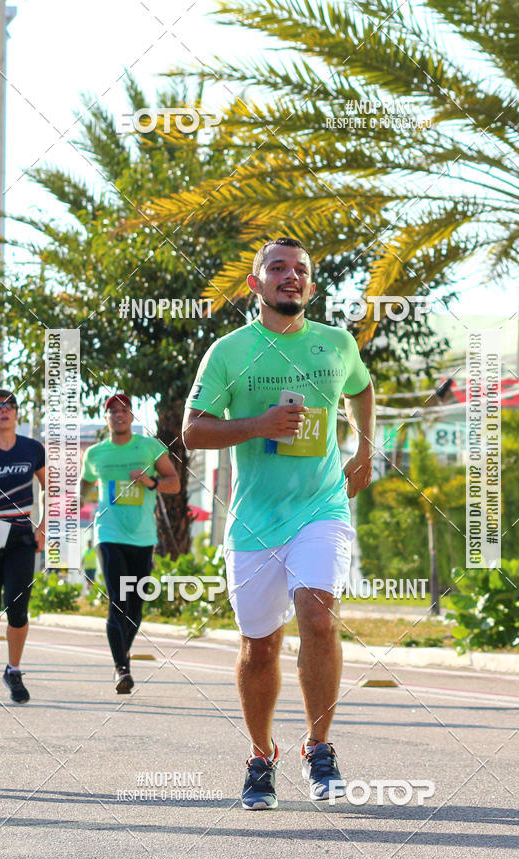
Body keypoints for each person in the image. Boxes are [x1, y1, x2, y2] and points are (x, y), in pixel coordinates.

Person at [183, 237, 375, 809]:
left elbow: (362, 388)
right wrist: (260, 424)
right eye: (278, 268)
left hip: (322, 507)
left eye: (301, 271)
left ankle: (319, 748)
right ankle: (260, 755)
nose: (290, 277)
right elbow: (194, 431)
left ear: (311, 287)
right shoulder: (229, 352)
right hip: (255, 523)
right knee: (259, 647)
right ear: (256, 283)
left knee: (318, 616)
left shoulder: (336, 345)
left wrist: (364, 449)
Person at [80, 394, 180, 693]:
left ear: (132, 416)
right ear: (106, 417)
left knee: (136, 605)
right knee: (117, 601)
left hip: (143, 538)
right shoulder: (96, 454)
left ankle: (122, 658)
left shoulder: (149, 447)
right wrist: (82, 495)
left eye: (123, 410)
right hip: (108, 535)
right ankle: (121, 668)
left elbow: (174, 483)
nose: (118, 415)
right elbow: (85, 485)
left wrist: (150, 482)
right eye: (112, 411)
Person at [0, 389, 45, 705]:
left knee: (18, 610)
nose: (4, 410)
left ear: (16, 413)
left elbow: (49, 488)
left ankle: (13, 670)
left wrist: (43, 526)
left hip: (20, 540)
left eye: (10, 405)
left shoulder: (32, 448)